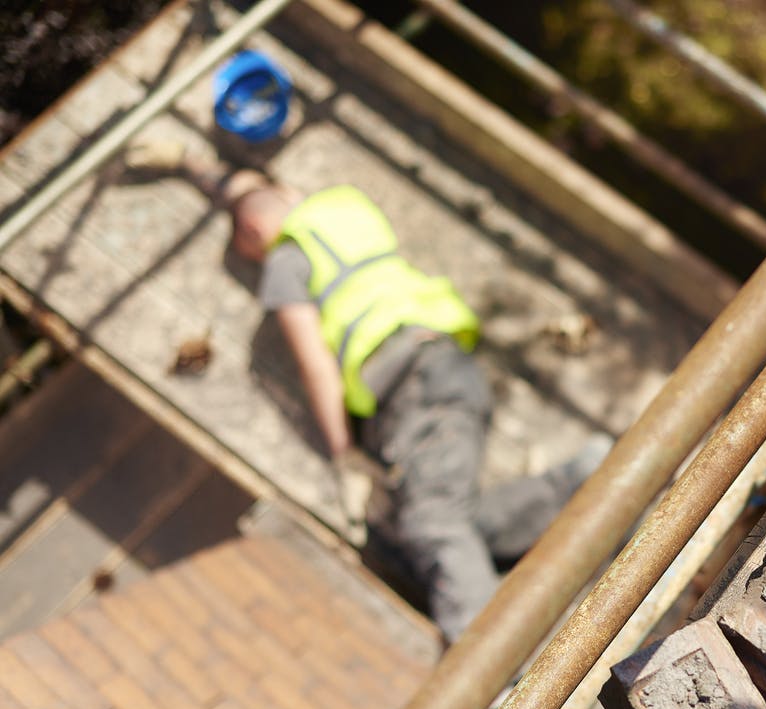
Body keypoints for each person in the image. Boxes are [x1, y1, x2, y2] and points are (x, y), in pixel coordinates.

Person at [126, 141, 609, 642]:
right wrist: (190, 162)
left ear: (252, 232)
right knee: (439, 525)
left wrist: (344, 456)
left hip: (412, 383)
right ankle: (580, 482)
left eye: (246, 247)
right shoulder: (341, 207)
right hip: (447, 368)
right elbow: (255, 194)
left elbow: (315, 363)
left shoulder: (287, 259)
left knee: (432, 524)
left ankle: (494, 663)